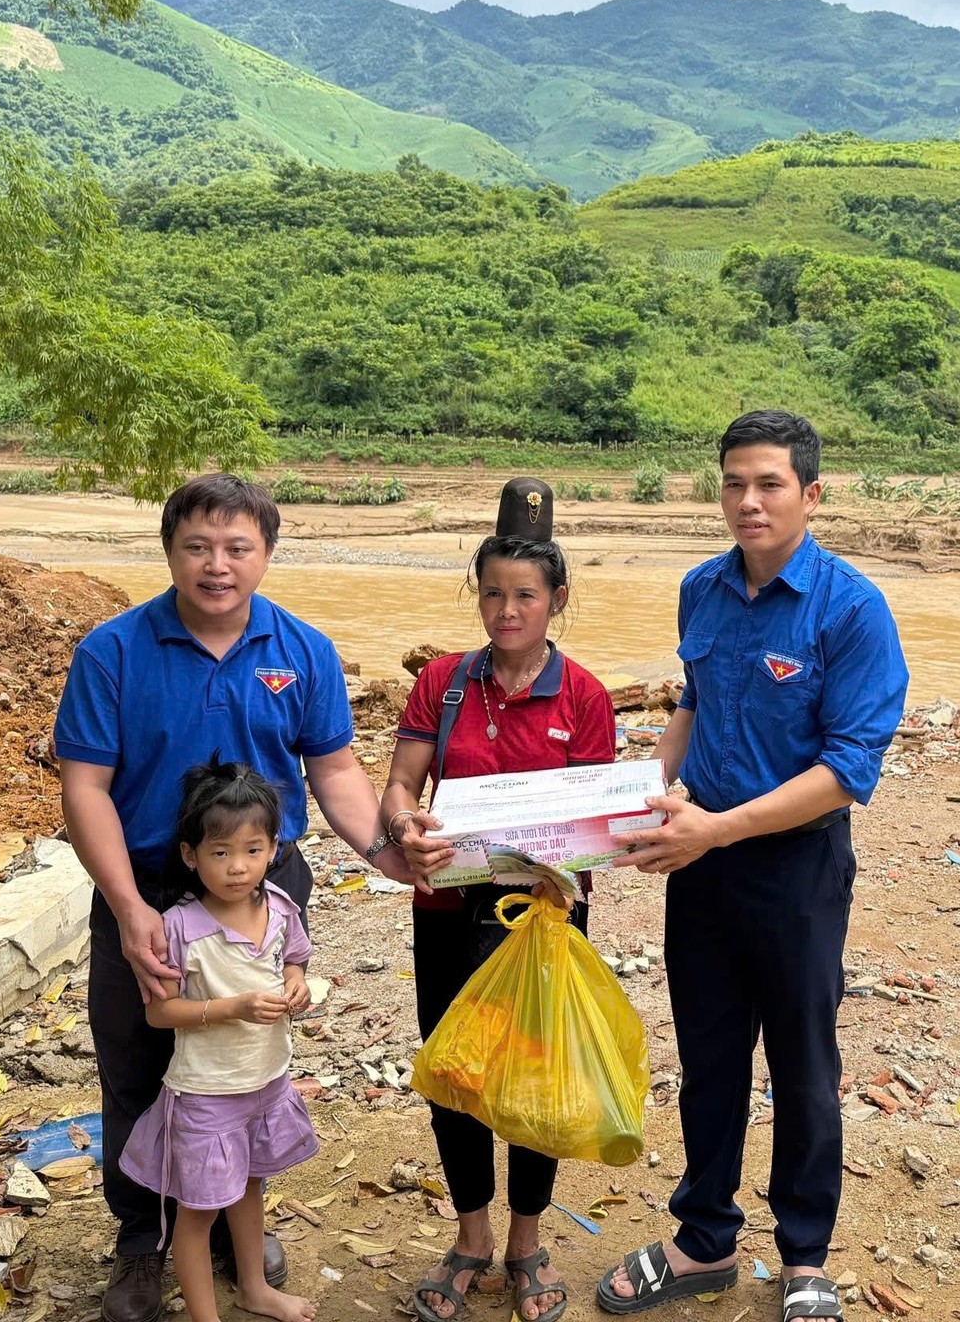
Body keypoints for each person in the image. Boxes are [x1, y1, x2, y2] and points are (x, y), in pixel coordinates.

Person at [55, 473, 399, 1322]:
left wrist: (385, 851)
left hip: (260, 884)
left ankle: (228, 1225)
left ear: (267, 553)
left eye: (238, 547)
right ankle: (143, 1239)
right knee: (138, 1061)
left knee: (244, 1059)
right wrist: (129, 907)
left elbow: (335, 771)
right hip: (148, 881)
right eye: (198, 547)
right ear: (169, 551)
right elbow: (85, 787)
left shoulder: (304, 650)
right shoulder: (113, 651)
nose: (218, 565)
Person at [596, 412, 908, 1322]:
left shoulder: (851, 609)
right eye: (734, 483)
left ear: (811, 494)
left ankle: (805, 1256)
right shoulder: (701, 588)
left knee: (804, 1064)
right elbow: (693, 704)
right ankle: (704, 1241)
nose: (748, 501)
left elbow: (848, 770)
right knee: (711, 1057)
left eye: (770, 484)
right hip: (701, 859)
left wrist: (716, 830)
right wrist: (635, 799)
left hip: (795, 867)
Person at [388, 478, 620, 1322]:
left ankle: (526, 1242)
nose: (507, 610)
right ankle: (470, 1237)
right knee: (454, 1070)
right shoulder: (443, 684)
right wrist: (405, 826)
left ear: (558, 599)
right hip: (446, 908)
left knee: (533, 1075)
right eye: (492, 593)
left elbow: (595, 818)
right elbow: (401, 784)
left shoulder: (584, 695)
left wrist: (574, 860)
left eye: (525, 595)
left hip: (544, 918)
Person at [120, 761, 320, 1322]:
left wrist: (297, 984)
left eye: (252, 850)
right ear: (191, 855)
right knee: (199, 1211)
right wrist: (231, 1008)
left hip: (266, 1080)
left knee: (250, 1187)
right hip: (207, 1094)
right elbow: (160, 1012)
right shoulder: (179, 927)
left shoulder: (280, 906)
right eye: (221, 852)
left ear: (273, 849)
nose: (237, 867)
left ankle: (254, 1288)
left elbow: (295, 960)